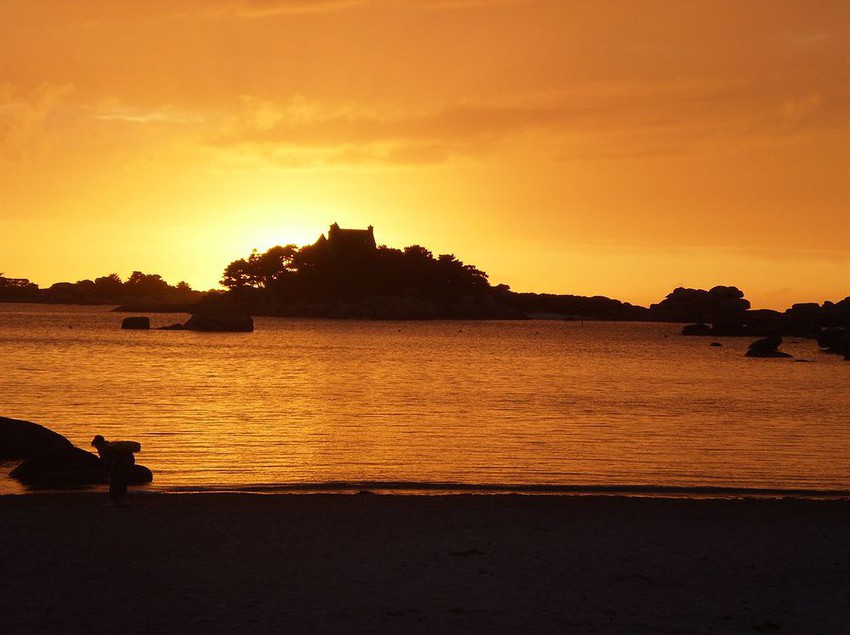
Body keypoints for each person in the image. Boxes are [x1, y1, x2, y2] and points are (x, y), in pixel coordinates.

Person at [91, 435, 138, 504]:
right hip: (128, 461)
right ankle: (122, 499)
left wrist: (109, 472)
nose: (96, 448)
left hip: (123, 462)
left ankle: (113, 500)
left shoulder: (105, 449)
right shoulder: (109, 446)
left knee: (115, 481)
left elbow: (111, 461)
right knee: (121, 481)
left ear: (97, 444)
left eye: (96, 446)